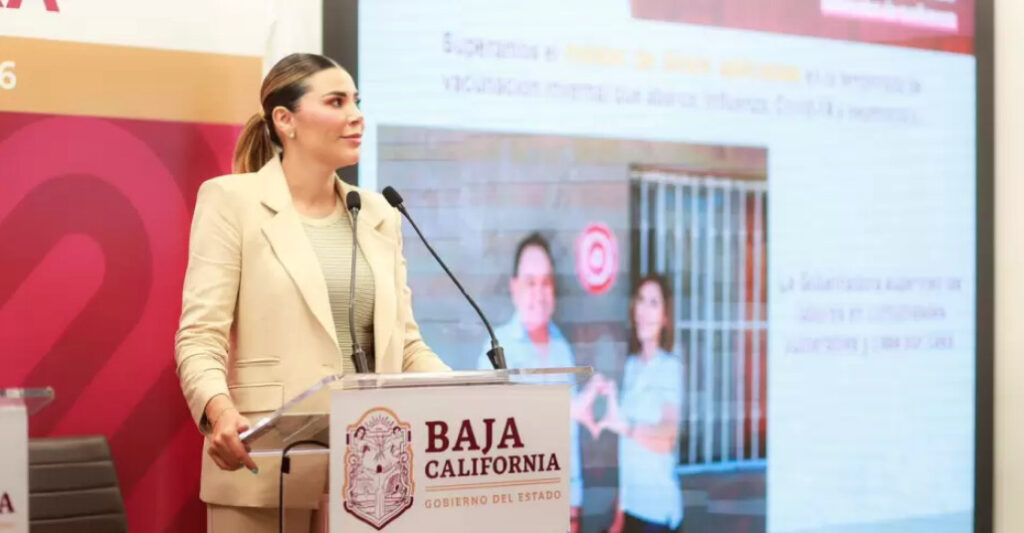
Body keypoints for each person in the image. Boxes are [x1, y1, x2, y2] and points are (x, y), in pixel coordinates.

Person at [174, 53, 450, 533]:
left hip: (372, 479)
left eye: (357, 101)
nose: (356, 115)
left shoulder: (379, 213)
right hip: (263, 469)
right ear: (285, 121)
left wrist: (468, 397)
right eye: (337, 101)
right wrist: (219, 413)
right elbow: (199, 338)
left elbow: (405, 345)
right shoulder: (230, 202)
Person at [476, 232, 585, 532]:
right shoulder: (496, 349)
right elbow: (488, 440)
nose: (539, 292)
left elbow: (570, 439)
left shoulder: (563, 348)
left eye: (546, 282)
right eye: (530, 282)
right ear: (514, 288)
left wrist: (574, 506)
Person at [593, 273, 684, 533]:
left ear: (666, 317)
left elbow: (668, 438)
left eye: (654, 303)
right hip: (631, 511)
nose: (644, 310)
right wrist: (620, 513)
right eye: (641, 301)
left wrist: (627, 426)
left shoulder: (670, 367)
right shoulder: (632, 366)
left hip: (657, 514)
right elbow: (628, 449)